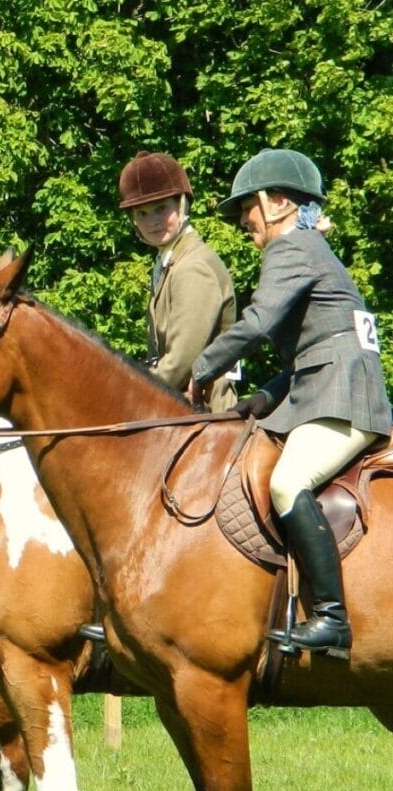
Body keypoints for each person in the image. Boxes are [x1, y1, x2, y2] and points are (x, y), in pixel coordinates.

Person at [190, 148, 392, 658]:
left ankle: (331, 618)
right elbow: (310, 353)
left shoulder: (291, 249)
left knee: (286, 481)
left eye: (247, 208)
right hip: (330, 388)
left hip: (342, 399)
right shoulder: (311, 251)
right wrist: (259, 399)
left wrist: (201, 368)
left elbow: (257, 323)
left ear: (278, 202)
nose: (243, 221)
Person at [118, 151, 238, 412]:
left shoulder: (193, 267)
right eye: (142, 213)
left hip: (205, 414)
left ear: (181, 205)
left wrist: (130, 398)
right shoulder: (169, 262)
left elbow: (181, 360)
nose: (152, 222)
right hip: (178, 406)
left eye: (161, 208)